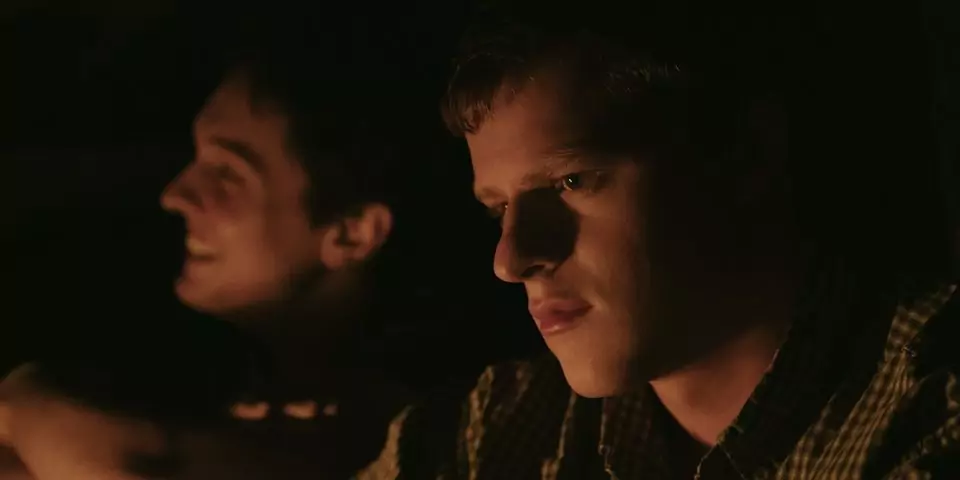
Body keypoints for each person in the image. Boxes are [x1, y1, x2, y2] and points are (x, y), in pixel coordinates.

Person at [357, 2, 959, 478]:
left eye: (572, 180)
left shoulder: (931, 412)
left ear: (744, 154)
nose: (511, 259)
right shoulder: (495, 432)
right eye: (498, 209)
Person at [0, 16, 497, 480]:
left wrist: (26, 401)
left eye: (226, 173)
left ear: (353, 233)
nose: (175, 194)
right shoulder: (205, 389)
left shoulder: (409, 436)